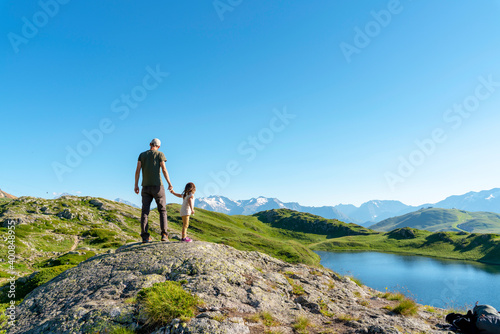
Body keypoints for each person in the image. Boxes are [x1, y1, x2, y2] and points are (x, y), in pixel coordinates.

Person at [134, 138, 173, 243]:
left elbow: (137, 170)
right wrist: (169, 183)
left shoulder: (142, 155)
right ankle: (164, 235)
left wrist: (136, 185)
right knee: (162, 211)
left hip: (145, 186)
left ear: (150, 144)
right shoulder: (160, 154)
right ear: (158, 146)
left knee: (145, 212)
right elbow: (164, 169)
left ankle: (145, 237)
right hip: (158, 186)